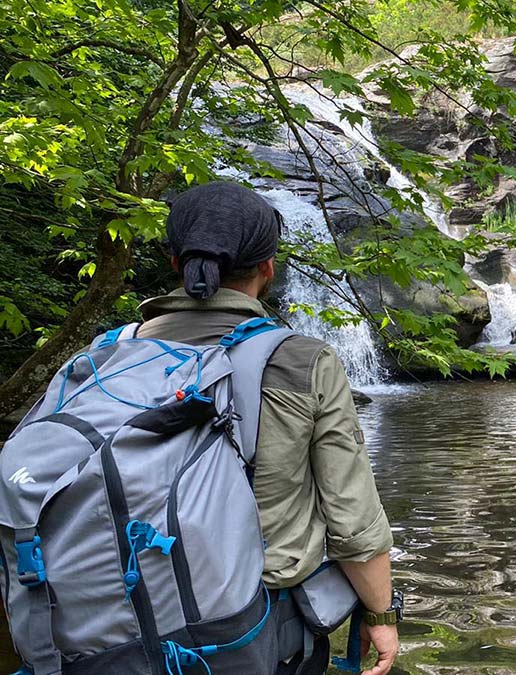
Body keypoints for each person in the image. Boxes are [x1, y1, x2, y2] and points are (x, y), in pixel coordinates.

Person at [135, 181, 399, 674]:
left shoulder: (102, 359)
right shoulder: (302, 360)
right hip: (248, 628)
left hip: (121, 620)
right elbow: (351, 515)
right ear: (267, 267)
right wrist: (381, 613)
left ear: (175, 261)